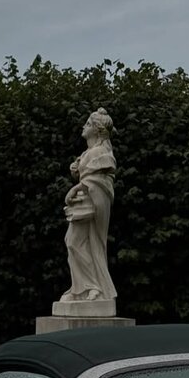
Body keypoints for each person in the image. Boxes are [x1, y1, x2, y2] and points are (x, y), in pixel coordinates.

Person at [60, 108, 117, 303]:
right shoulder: (89, 152)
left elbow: (100, 181)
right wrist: (76, 169)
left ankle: (93, 287)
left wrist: (76, 188)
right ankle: (82, 288)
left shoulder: (101, 152)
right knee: (73, 242)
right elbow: (87, 171)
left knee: (76, 242)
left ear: (97, 130)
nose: (84, 126)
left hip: (92, 202)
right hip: (83, 202)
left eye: (88, 124)